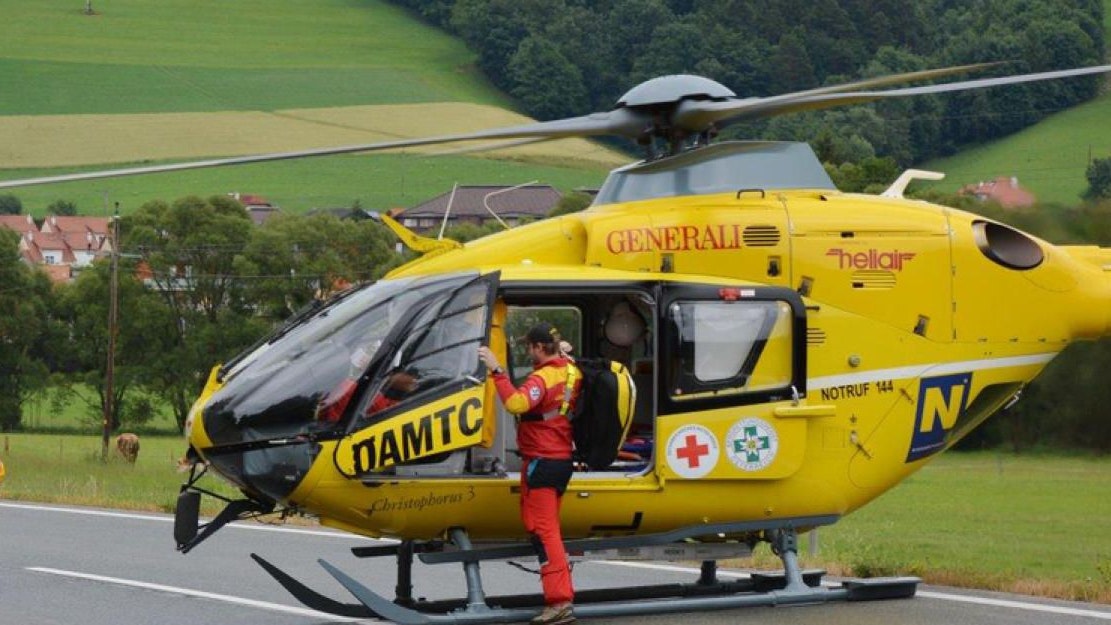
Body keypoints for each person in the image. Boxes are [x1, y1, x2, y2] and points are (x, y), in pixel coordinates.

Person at [478, 322, 580, 625]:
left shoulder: (543, 377)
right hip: (558, 460)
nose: (527, 351)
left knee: (545, 532)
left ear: (538, 347)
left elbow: (517, 403)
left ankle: (559, 601)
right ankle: (559, 597)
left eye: (529, 347)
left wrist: (497, 371)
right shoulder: (570, 370)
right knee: (541, 527)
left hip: (544, 461)